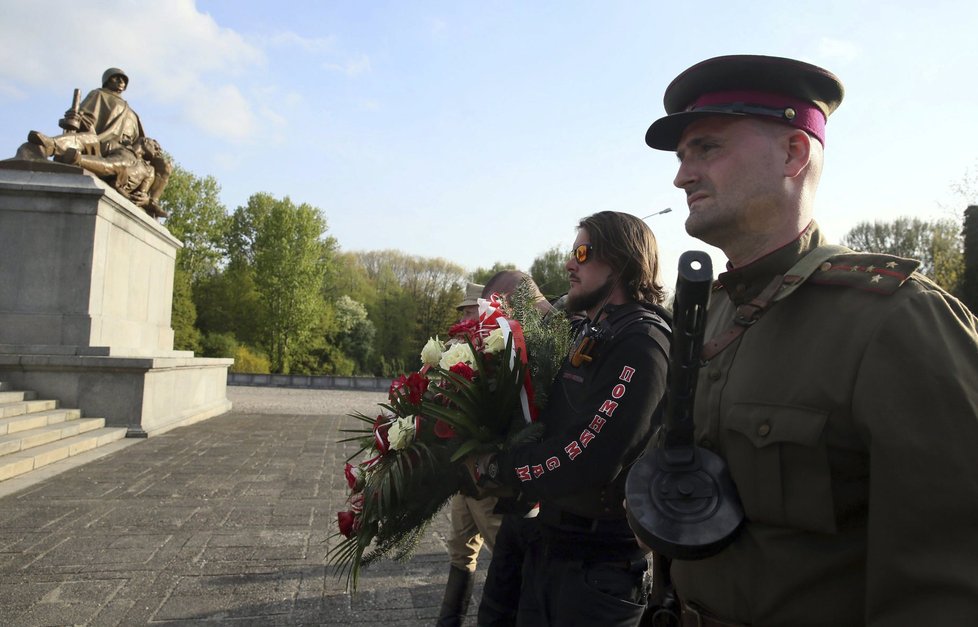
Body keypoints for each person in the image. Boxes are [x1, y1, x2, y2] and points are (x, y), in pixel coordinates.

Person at [641, 54, 978, 625]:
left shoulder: (896, 321)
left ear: (794, 153)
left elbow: (945, 589)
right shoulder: (711, 311)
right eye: (681, 157)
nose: (681, 175)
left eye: (707, 148)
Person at [470, 211, 671, 626]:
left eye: (582, 252)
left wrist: (499, 467)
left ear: (620, 260)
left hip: (599, 569)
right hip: (552, 546)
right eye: (571, 252)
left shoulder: (642, 343)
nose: (568, 264)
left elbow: (586, 454)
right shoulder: (590, 329)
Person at [437, 281, 504, 627]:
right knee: (460, 549)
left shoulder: (497, 353)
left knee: (504, 550)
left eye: (470, 310)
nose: (464, 316)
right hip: (462, 474)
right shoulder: (453, 350)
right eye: (462, 311)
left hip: (486, 475)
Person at [26, 67, 144, 160]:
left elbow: (141, 141)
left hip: (125, 152)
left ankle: (51, 145)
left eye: (123, 80)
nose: (121, 81)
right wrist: (76, 117)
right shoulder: (99, 94)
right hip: (102, 144)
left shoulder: (132, 112)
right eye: (116, 78)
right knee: (88, 138)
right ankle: (49, 146)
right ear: (107, 80)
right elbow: (84, 117)